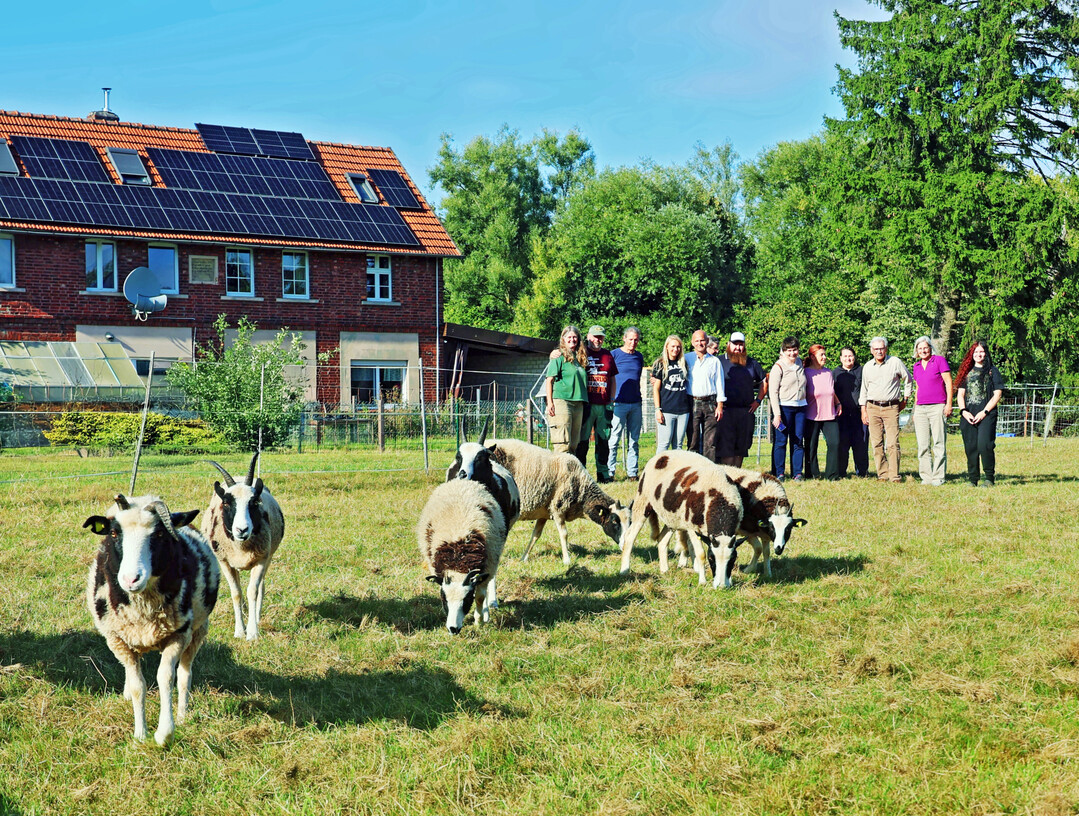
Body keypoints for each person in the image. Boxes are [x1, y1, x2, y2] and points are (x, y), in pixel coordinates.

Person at [858, 337, 912, 483]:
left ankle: (894, 475)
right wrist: (863, 410)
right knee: (876, 442)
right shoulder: (868, 367)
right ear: (871, 350)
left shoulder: (895, 362)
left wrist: (905, 400)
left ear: (886, 349)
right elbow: (864, 389)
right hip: (872, 407)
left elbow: (908, 379)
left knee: (892, 443)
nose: (879, 351)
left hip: (891, 406)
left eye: (881, 348)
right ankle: (883, 474)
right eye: (875, 349)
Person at [955, 340, 1004, 487]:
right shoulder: (966, 371)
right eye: (976, 352)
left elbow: (998, 394)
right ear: (972, 354)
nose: (979, 354)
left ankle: (989, 478)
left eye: (981, 351)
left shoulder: (992, 371)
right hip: (969, 415)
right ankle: (973, 479)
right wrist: (964, 411)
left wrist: (985, 412)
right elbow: (960, 394)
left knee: (984, 446)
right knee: (971, 448)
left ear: (986, 353)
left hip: (987, 415)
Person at [574, 325, 618, 483]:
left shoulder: (607, 355)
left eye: (601, 337)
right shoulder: (581, 352)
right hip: (587, 404)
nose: (598, 340)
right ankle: (581, 474)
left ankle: (603, 474)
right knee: (582, 441)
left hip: (604, 404)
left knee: (603, 441)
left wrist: (612, 399)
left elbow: (612, 378)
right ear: (588, 336)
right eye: (595, 336)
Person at [717, 332, 767, 467]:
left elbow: (764, 381)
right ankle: (727, 478)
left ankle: (737, 477)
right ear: (728, 344)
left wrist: (758, 401)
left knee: (741, 448)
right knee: (726, 448)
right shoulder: (718, 361)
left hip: (746, 412)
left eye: (741, 345)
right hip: (725, 412)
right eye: (735, 344)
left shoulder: (751, 363)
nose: (738, 348)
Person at [910, 335, 953, 486]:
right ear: (917, 351)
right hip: (921, 408)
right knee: (923, 445)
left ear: (930, 348)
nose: (923, 350)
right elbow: (918, 388)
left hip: (938, 406)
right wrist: (915, 410)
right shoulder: (916, 366)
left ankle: (938, 477)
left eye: (925, 348)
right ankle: (926, 477)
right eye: (920, 348)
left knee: (939, 443)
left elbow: (948, 382)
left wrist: (948, 404)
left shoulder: (939, 360)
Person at [768, 336, 807, 481]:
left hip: (800, 408)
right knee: (781, 441)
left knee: (798, 441)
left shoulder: (800, 363)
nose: (792, 353)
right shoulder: (778, 367)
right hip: (784, 408)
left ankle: (797, 472)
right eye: (789, 350)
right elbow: (773, 392)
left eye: (795, 350)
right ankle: (779, 473)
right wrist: (777, 415)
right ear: (783, 351)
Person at [544, 325, 588, 454]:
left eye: (575, 337)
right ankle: (559, 473)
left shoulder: (580, 358)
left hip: (578, 403)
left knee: (574, 444)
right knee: (562, 444)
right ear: (563, 339)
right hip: (562, 401)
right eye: (569, 337)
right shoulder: (558, 356)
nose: (572, 339)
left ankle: (570, 473)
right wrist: (550, 402)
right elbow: (549, 380)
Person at [608, 326, 645, 480]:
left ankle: (632, 472)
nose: (633, 342)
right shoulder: (614, 355)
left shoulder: (639, 357)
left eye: (636, 340)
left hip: (636, 403)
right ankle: (610, 472)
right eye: (630, 339)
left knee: (634, 440)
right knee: (614, 439)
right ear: (624, 338)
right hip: (618, 403)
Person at [685, 330, 725, 461]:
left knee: (710, 442)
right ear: (692, 343)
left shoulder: (714, 361)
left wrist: (720, 406)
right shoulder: (686, 358)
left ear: (707, 342)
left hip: (710, 403)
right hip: (693, 402)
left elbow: (720, 384)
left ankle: (709, 471)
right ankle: (693, 470)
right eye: (697, 341)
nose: (700, 343)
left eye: (702, 340)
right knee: (693, 439)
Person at [803, 344, 841, 480]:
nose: (825, 357)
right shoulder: (806, 373)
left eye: (825, 354)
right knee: (811, 446)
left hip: (829, 414)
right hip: (811, 415)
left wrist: (838, 403)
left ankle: (832, 474)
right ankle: (812, 473)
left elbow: (831, 390)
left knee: (834, 443)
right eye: (821, 355)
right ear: (813, 357)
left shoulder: (828, 372)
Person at [833, 347, 870, 477]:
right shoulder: (835, 373)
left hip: (859, 414)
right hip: (841, 415)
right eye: (845, 356)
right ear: (841, 358)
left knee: (861, 443)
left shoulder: (862, 371)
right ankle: (841, 472)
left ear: (854, 357)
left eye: (850, 356)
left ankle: (862, 472)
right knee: (842, 444)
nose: (848, 358)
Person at [651, 335, 691, 452]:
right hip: (666, 409)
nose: (675, 349)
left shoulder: (684, 363)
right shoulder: (660, 364)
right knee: (664, 444)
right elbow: (656, 389)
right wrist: (658, 409)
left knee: (678, 445)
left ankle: (675, 470)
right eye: (673, 346)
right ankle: (658, 470)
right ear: (667, 347)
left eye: (678, 347)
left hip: (683, 410)